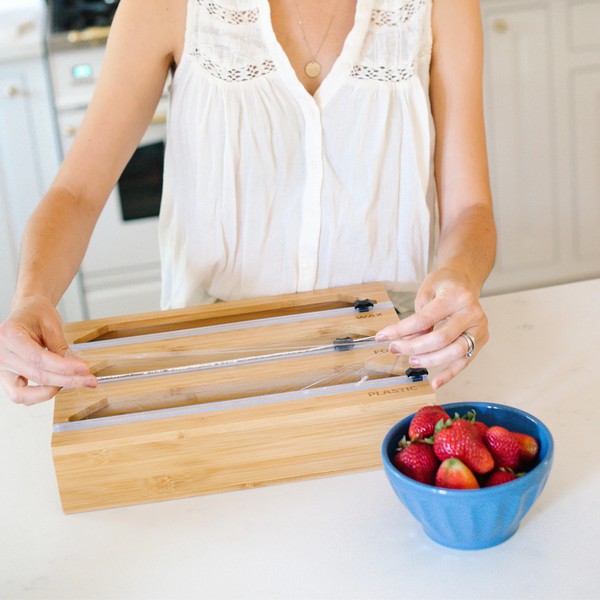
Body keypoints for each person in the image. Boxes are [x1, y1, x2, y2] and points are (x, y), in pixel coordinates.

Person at [0, 0, 496, 405]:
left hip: (393, 359)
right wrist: (33, 296)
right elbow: (76, 193)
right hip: (211, 369)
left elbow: (469, 209)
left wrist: (460, 276)